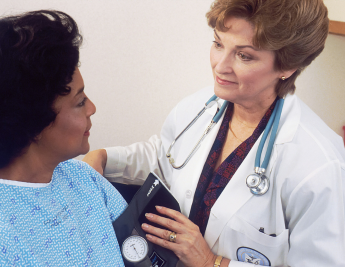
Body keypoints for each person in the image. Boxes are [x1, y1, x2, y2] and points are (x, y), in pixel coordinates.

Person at [83, 0, 345, 266]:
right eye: (218, 44)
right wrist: (104, 158)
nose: (220, 66)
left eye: (244, 55)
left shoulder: (319, 165)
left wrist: (212, 262)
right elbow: (166, 156)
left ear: (288, 67)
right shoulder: (200, 107)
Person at [0, 10, 127, 266]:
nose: (92, 108)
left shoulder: (83, 180)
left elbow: (141, 252)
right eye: (80, 101)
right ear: (32, 123)